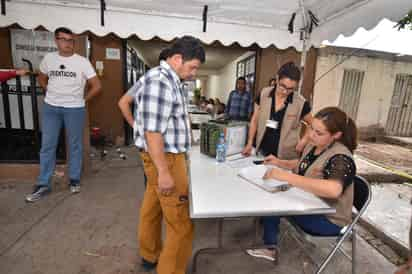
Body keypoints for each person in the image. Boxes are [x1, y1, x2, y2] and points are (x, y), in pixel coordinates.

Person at [246, 107, 358, 263]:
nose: (311, 135)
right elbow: (304, 165)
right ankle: (269, 242)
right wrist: (280, 162)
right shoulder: (315, 145)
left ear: (336, 135)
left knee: (274, 203)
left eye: (319, 133)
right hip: (311, 204)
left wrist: (285, 176)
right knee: (272, 196)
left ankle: (270, 247)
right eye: (312, 128)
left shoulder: (341, 157)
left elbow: (333, 190)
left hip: (329, 219)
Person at [133, 36, 205, 274]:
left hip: (162, 157)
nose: (194, 73)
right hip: (166, 159)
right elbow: (153, 132)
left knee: (152, 208)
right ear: (177, 59)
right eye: (192, 66)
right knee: (181, 225)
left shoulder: (169, 80)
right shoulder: (161, 82)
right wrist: (164, 171)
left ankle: (150, 254)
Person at [25, 27, 101, 202]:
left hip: (75, 108)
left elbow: (97, 86)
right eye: (64, 40)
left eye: (71, 40)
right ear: (56, 41)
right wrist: (49, 91)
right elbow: (41, 78)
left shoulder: (82, 62)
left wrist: (83, 100)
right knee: (47, 145)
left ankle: (74, 179)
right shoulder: (49, 59)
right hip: (51, 107)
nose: (68, 44)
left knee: (74, 145)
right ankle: (44, 183)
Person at [242, 62, 312, 159]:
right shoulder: (264, 93)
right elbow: (254, 120)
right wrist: (249, 143)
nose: (285, 91)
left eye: (290, 89)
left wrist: (304, 140)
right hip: (261, 152)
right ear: (277, 78)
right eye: (282, 86)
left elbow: (312, 124)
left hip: (285, 157)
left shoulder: (301, 103)